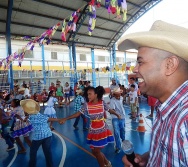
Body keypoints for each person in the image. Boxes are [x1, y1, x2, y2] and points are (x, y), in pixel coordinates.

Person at [118, 20, 188, 167]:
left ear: (170, 65)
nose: (135, 69)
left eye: (140, 62)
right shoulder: (163, 105)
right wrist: (150, 158)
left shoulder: (185, 119)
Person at [60, 86, 121, 167]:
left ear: (96, 94)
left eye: (90, 94)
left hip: (101, 130)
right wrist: (66, 118)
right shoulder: (86, 105)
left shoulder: (102, 103)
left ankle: (103, 165)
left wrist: (117, 114)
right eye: (87, 94)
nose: (88, 96)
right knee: (94, 151)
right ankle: (107, 163)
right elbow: (77, 114)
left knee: (97, 151)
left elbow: (109, 110)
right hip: (93, 130)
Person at [20, 99, 60, 167]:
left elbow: (49, 119)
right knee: (48, 152)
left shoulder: (32, 118)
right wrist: (60, 120)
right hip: (47, 135)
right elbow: (47, 119)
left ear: (27, 110)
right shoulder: (38, 114)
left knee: (33, 152)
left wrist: (59, 120)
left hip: (38, 138)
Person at [110, 87, 126, 154]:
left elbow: (124, 93)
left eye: (119, 94)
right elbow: (112, 111)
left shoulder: (121, 98)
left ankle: (123, 140)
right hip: (115, 118)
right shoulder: (112, 100)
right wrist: (117, 115)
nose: (118, 95)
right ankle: (118, 147)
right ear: (114, 94)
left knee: (122, 130)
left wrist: (120, 116)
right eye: (116, 94)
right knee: (116, 132)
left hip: (122, 117)